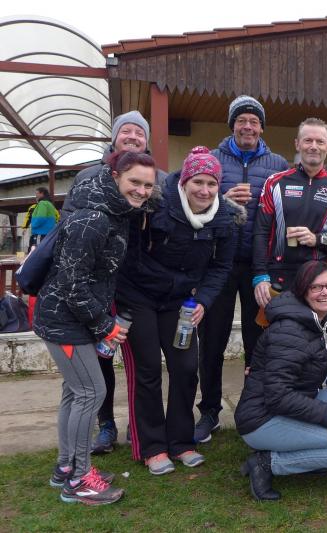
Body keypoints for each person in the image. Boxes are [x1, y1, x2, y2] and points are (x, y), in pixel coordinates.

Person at [34, 150, 157, 505]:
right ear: (115, 176)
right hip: (64, 321)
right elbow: (72, 285)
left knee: (75, 393)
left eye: (148, 185)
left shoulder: (114, 210)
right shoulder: (94, 219)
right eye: (135, 182)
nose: (142, 191)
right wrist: (105, 326)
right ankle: (79, 480)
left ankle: (66, 468)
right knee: (91, 392)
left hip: (72, 318)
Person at [118, 147, 235, 475]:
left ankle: (181, 441)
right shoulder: (155, 205)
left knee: (185, 367)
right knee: (148, 370)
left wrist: (204, 301)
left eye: (211, 183)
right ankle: (152, 446)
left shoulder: (225, 217)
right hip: (138, 296)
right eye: (198, 181)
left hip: (180, 302)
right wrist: (174, 282)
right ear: (184, 182)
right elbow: (131, 255)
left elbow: (221, 266)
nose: (204, 190)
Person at [62, 110, 167, 456]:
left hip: (135, 286)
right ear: (114, 137)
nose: (133, 137)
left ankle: (139, 424)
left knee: (140, 361)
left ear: (146, 141)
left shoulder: (158, 179)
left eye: (140, 133)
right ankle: (105, 424)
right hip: (94, 286)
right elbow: (69, 225)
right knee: (99, 359)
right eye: (127, 131)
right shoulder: (90, 175)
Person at [235, 261, 327, 501]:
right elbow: (277, 395)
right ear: (302, 291)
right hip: (261, 419)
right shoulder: (290, 329)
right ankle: (266, 462)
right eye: (316, 287)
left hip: (295, 400)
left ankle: (309, 452)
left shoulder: (315, 318)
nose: (325, 292)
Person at [196, 95, 289, 443]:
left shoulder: (277, 163)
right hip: (217, 264)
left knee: (259, 341)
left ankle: (253, 407)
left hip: (259, 266)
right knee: (212, 341)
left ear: (261, 128)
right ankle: (209, 411)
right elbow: (194, 202)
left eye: (254, 121)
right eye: (241, 120)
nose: (247, 126)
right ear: (232, 125)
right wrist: (222, 200)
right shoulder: (213, 160)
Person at [251, 117, 327, 309]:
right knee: (270, 328)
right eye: (308, 140)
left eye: (320, 141)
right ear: (297, 144)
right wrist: (260, 275)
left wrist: (317, 240)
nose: (314, 146)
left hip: (317, 277)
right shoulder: (275, 183)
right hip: (276, 276)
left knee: (313, 329)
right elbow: (260, 232)